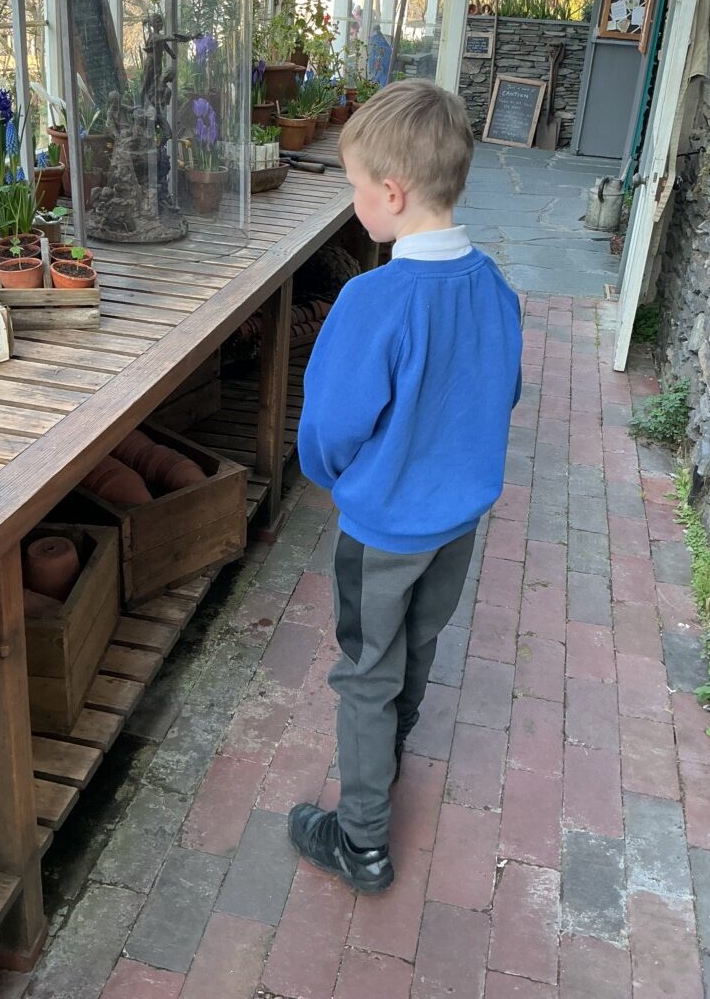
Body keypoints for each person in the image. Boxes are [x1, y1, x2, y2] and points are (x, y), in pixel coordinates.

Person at [289, 79, 523, 893]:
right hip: (456, 527)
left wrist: (335, 480)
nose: (354, 202)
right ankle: (384, 757)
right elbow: (502, 393)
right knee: (418, 645)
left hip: (383, 531)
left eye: (355, 186)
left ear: (391, 193)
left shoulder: (372, 299)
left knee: (366, 669)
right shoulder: (495, 287)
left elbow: (330, 428)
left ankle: (360, 840)